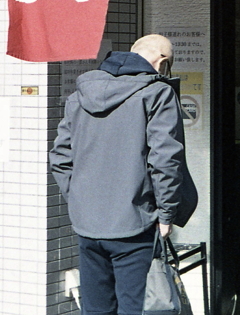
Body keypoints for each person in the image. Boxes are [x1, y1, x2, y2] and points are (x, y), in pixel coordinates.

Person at [49, 34, 197, 315]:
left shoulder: (80, 94)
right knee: (136, 308)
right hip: (135, 225)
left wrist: (80, 200)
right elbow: (165, 160)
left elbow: (60, 157)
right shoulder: (158, 93)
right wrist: (167, 214)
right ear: (162, 62)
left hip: (88, 224)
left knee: (96, 309)